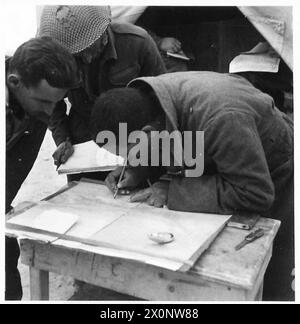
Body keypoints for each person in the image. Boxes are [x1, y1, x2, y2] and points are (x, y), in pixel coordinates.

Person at [90, 71, 293, 301]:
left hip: (274, 166)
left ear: (145, 133)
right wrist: (139, 170)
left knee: (265, 274)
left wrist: (172, 191)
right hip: (228, 142)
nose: (129, 160)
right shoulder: (152, 101)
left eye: (128, 154)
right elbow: (174, 138)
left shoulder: (222, 118)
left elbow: (254, 192)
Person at [38, 5, 166, 167]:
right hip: (82, 141)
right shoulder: (57, 57)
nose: (87, 59)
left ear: (104, 31)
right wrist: (62, 139)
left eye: (91, 47)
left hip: (131, 137)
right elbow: (52, 103)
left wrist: (149, 137)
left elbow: (163, 98)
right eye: (78, 55)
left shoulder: (137, 43)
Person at [6, 36, 79, 300]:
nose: (50, 113)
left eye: (56, 103)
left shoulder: (33, 103)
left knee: (9, 290)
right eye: (44, 102)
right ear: (15, 83)